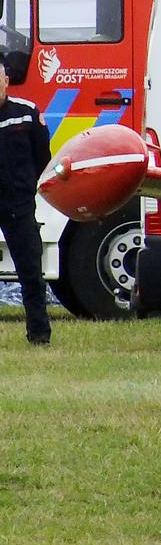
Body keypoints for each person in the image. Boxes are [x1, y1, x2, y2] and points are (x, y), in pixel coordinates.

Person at [0, 55, 53, 346]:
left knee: (30, 273)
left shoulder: (26, 113)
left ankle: (39, 334)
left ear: (7, 81)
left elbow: (42, 156)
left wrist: (24, 188)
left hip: (17, 206)